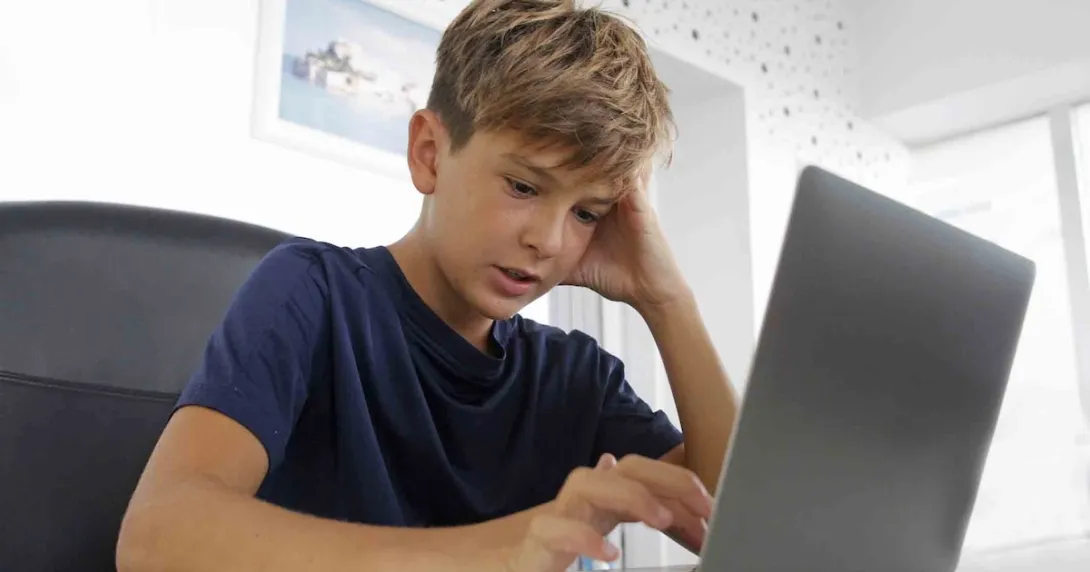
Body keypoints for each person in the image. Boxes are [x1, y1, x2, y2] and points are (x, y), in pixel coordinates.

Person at [115, 1, 738, 570]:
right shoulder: (312, 294)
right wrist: (496, 549)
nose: (549, 241)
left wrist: (667, 300)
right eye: (523, 186)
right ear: (429, 153)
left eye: (586, 213)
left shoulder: (576, 378)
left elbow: (735, 526)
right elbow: (157, 538)